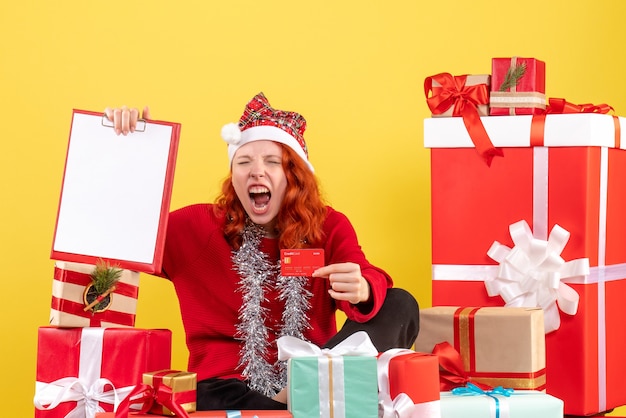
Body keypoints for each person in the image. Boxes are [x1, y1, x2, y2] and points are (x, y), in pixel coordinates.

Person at [105, 92, 420, 410]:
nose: (256, 171)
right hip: (227, 388)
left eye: (272, 162)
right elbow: (122, 234)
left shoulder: (328, 226)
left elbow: (367, 277)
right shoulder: (196, 227)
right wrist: (130, 152)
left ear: (294, 176)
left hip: (314, 375)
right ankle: (295, 402)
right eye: (244, 162)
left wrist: (363, 288)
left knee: (399, 303)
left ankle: (297, 392)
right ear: (233, 176)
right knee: (205, 396)